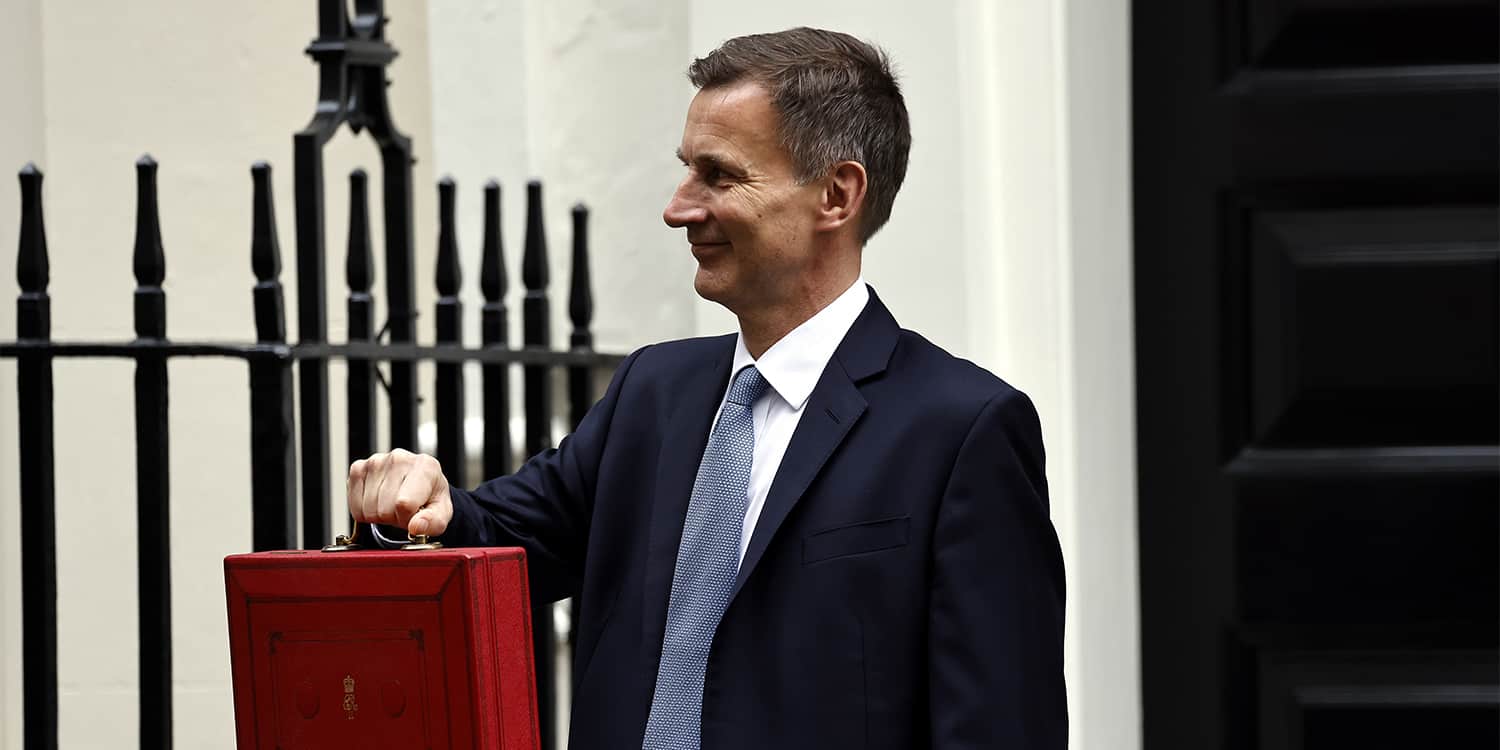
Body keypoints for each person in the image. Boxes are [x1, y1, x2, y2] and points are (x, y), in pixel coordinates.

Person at [349, 27, 1066, 750]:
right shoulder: (651, 393)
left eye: (719, 176)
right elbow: (496, 544)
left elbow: (1001, 725)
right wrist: (416, 504)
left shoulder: (960, 428)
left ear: (837, 194)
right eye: (686, 169)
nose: (679, 207)